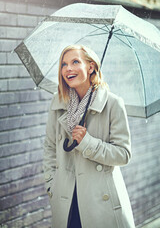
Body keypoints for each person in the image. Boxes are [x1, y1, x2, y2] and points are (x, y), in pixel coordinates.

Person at [43, 44, 135, 228]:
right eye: (64, 64)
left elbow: (123, 154)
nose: (67, 68)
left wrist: (87, 142)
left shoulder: (113, 104)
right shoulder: (58, 102)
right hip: (66, 199)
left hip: (100, 201)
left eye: (75, 62)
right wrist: (51, 183)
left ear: (91, 67)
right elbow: (50, 148)